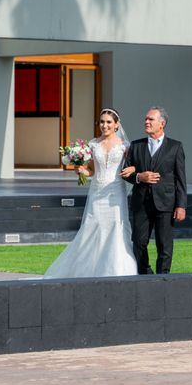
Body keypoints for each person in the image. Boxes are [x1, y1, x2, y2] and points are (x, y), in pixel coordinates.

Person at [44, 108, 138, 278]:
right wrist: (80, 171)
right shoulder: (93, 144)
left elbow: (133, 166)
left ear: (116, 125)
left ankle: (118, 270)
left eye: (109, 122)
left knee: (116, 226)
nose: (104, 125)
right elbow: (91, 171)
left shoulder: (125, 146)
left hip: (115, 192)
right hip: (97, 191)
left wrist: (133, 168)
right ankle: (88, 270)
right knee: (93, 226)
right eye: (102, 122)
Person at [123, 107, 187, 274]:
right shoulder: (136, 146)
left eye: (151, 119)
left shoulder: (175, 147)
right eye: (146, 119)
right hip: (141, 203)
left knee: (164, 244)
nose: (146, 122)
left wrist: (181, 206)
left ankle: (163, 276)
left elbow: (180, 180)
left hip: (165, 203)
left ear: (162, 123)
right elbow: (125, 173)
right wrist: (139, 177)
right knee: (138, 241)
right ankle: (145, 273)